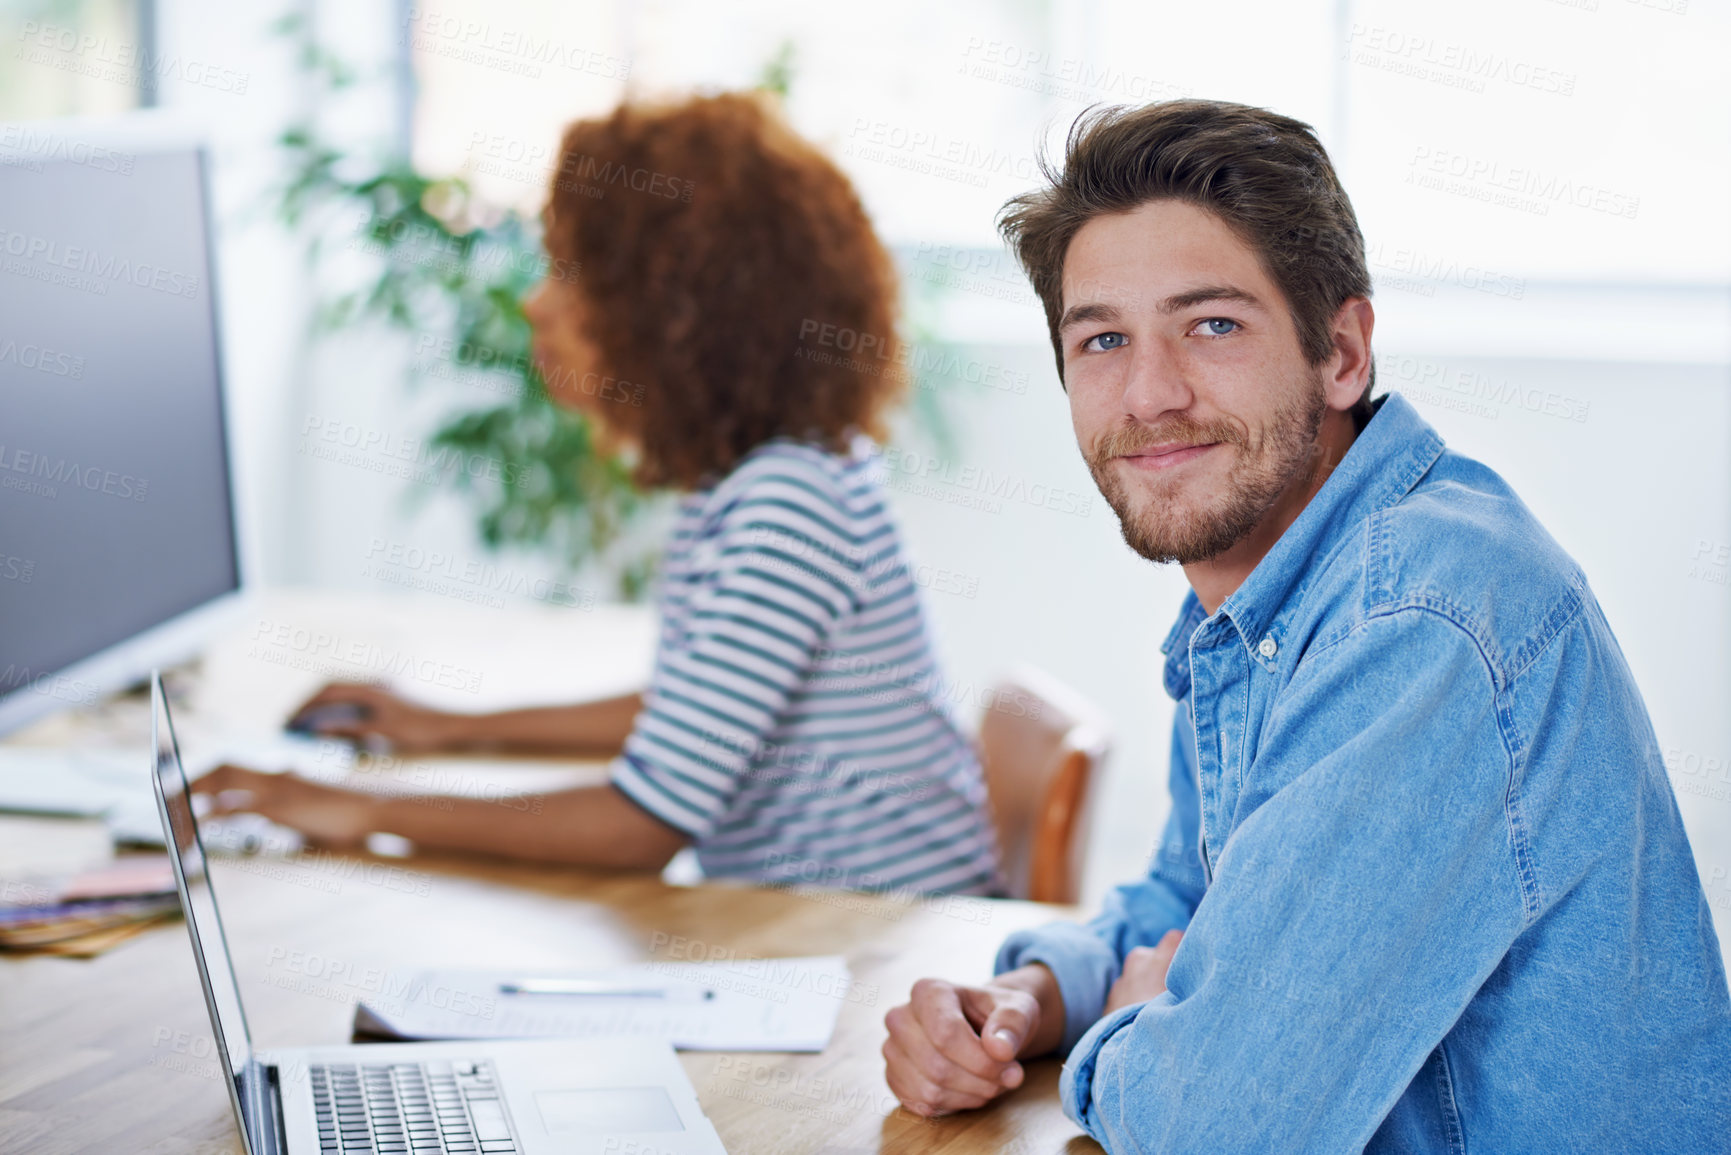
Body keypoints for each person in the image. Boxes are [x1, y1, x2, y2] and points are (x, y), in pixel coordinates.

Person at [881, 98, 1731, 1150]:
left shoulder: (1415, 621)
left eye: (1213, 325)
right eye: (1102, 339)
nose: (1149, 393)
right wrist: (1034, 996)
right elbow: (1190, 898)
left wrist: (1127, 1025)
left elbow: (1217, 1126)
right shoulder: (1271, 594)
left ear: (1342, 351)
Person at [200, 93, 1000, 898]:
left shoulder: (785, 504)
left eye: (569, 275)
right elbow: (692, 706)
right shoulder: (766, 472)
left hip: (888, 948)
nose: (534, 302)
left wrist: (353, 805)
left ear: (679, 317)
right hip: (845, 930)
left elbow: (639, 822)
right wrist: (450, 726)